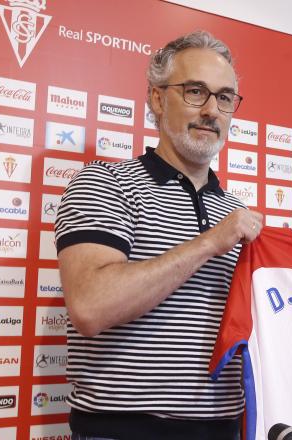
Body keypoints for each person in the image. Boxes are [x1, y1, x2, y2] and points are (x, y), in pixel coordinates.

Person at [55, 31, 263, 440]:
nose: (211, 110)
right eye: (194, 91)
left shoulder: (237, 213)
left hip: (224, 429)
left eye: (224, 98)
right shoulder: (105, 183)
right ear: (155, 99)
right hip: (121, 431)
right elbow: (91, 305)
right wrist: (208, 244)